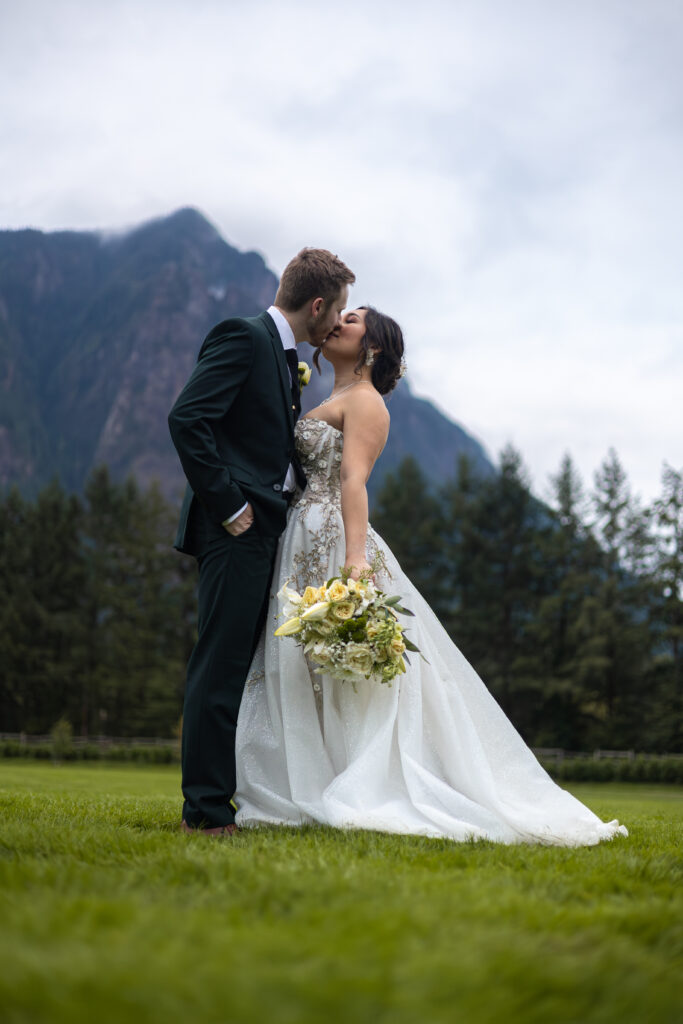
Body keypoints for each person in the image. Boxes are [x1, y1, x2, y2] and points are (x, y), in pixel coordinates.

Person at [234, 307, 629, 846]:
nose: (338, 322)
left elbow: (353, 479)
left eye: (351, 319)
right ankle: (309, 775)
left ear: (372, 346)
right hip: (300, 532)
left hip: (334, 535)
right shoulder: (327, 400)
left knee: (342, 664)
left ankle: (357, 781)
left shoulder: (367, 403)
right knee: (303, 662)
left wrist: (354, 562)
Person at [168, 248, 355, 835]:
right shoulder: (244, 337)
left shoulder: (284, 357)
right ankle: (204, 811)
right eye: (338, 313)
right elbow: (187, 419)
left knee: (236, 669)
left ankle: (224, 800)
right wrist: (231, 506)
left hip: (266, 531)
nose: (336, 327)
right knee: (218, 667)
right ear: (318, 305)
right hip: (236, 530)